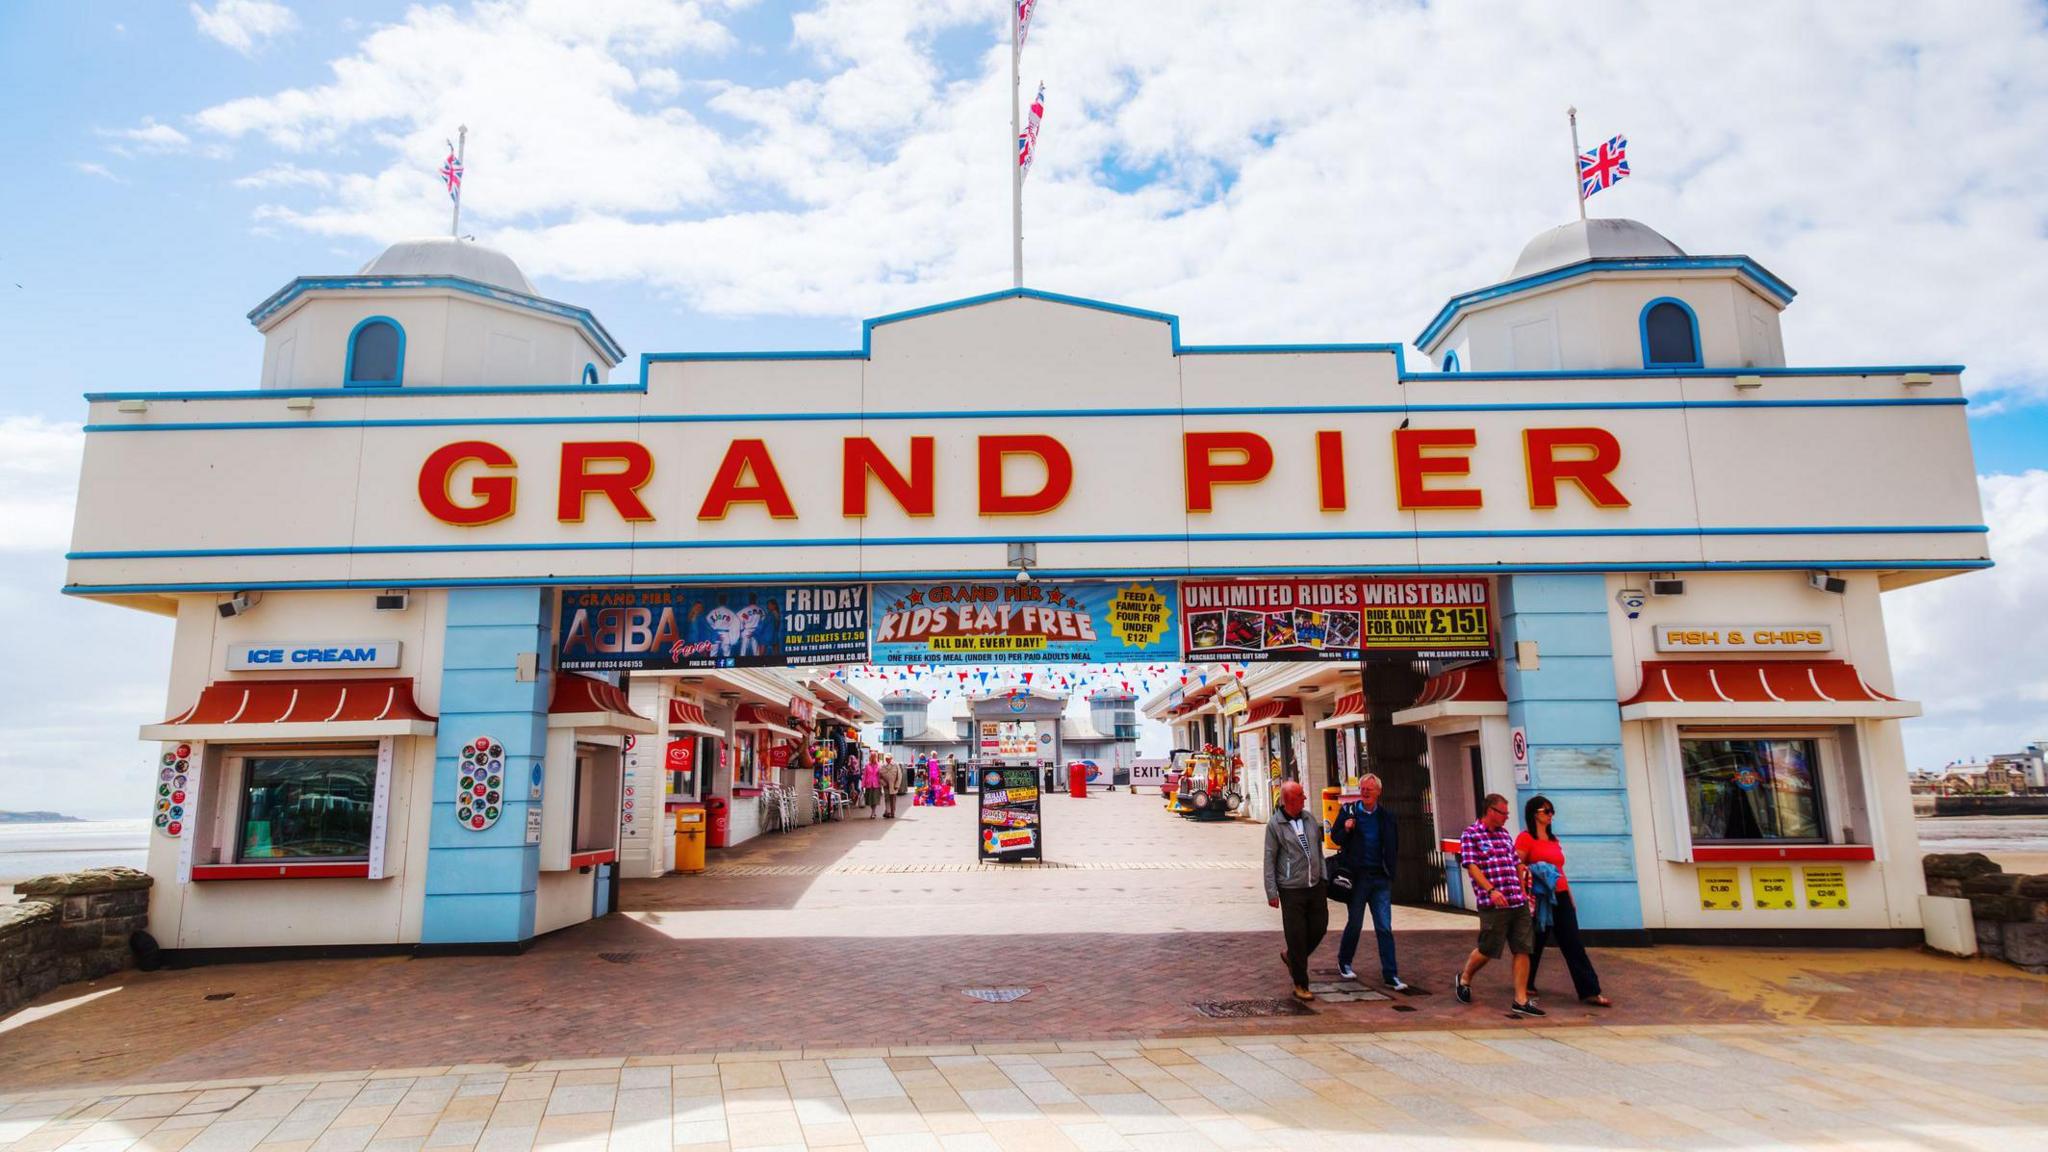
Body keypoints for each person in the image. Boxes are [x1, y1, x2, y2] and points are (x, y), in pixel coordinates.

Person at [1517, 795, 1611, 1007]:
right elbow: (1518, 865)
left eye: (1552, 811)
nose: (1550, 816)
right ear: (1534, 814)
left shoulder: (1554, 840)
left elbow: (1560, 870)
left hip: (1559, 895)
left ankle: (1590, 990)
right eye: (1546, 811)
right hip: (1540, 897)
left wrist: (1569, 895)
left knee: (1573, 942)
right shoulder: (1525, 839)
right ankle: (1525, 982)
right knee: (1535, 942)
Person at [1454, 792, 1542, 1016]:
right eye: (1503, 813)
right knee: (1488, 949)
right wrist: (1491, 890)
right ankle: (1465, 977)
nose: (1506, 817)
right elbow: (1471, 866)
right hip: (1493, 904)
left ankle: (1520, 999)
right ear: (1491, 811)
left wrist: (1523, 891)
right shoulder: (1471, 835)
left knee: (1523, 948)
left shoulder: (1504, 835)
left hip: (1516, 902)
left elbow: (1515, 864)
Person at [1331, 774, 1407, 991]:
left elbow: (1393, 845)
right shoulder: (1350, 811)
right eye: (1363, 789)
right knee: (1355, 922)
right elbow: (1335, 837)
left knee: (1384, 927)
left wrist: (1390, 871)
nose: (1365, 792)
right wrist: (1345, 828)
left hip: (1380, 878)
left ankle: (1391, 974)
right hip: (1358, 878)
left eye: (1369, 789)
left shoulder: (1386, 817)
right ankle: (1344, 961)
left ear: (1378, 792)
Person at [1262, 778, 1328, 1002]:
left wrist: (1324, 876)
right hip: (1291, 889)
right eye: (1301, 795)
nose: (1305, 798)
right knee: (1296, 935)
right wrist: (1272, 891)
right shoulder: (1275, 825)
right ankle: (1301, 983)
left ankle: (1293, 957)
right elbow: (1269, 859)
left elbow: (1318, 850)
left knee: (1319, 927)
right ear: (1290, 800)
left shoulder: (1308, 818)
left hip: (1315, 884)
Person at [861, 753, 882, 819]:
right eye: (872, 756)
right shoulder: (867, 765)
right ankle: (873, 811)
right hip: (869, 784)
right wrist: (862, 784)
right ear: (870, 757)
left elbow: (881, 775)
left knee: (875, 799)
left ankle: (873, 812)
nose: (873, 758)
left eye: (874, 756)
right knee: (870, 800)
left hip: (876, 784)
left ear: (876, 757)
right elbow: (864, 776)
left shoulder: (879, 765)